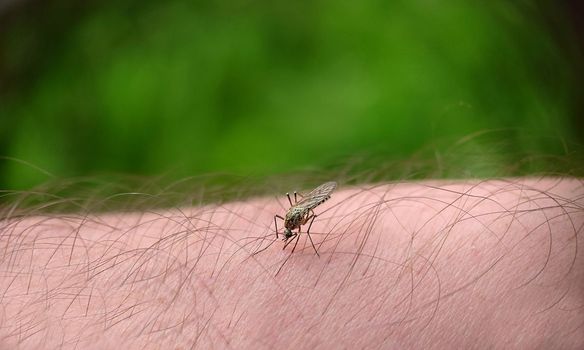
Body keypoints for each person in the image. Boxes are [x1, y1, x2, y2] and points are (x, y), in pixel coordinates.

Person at [1, 178, 582, 349]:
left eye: (290, 227)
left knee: (314, 211)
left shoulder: (304, 217)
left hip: (316, 200)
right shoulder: (288, 225)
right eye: (290, 227)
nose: (289, 231)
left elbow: (308, 217)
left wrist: (306, 215)